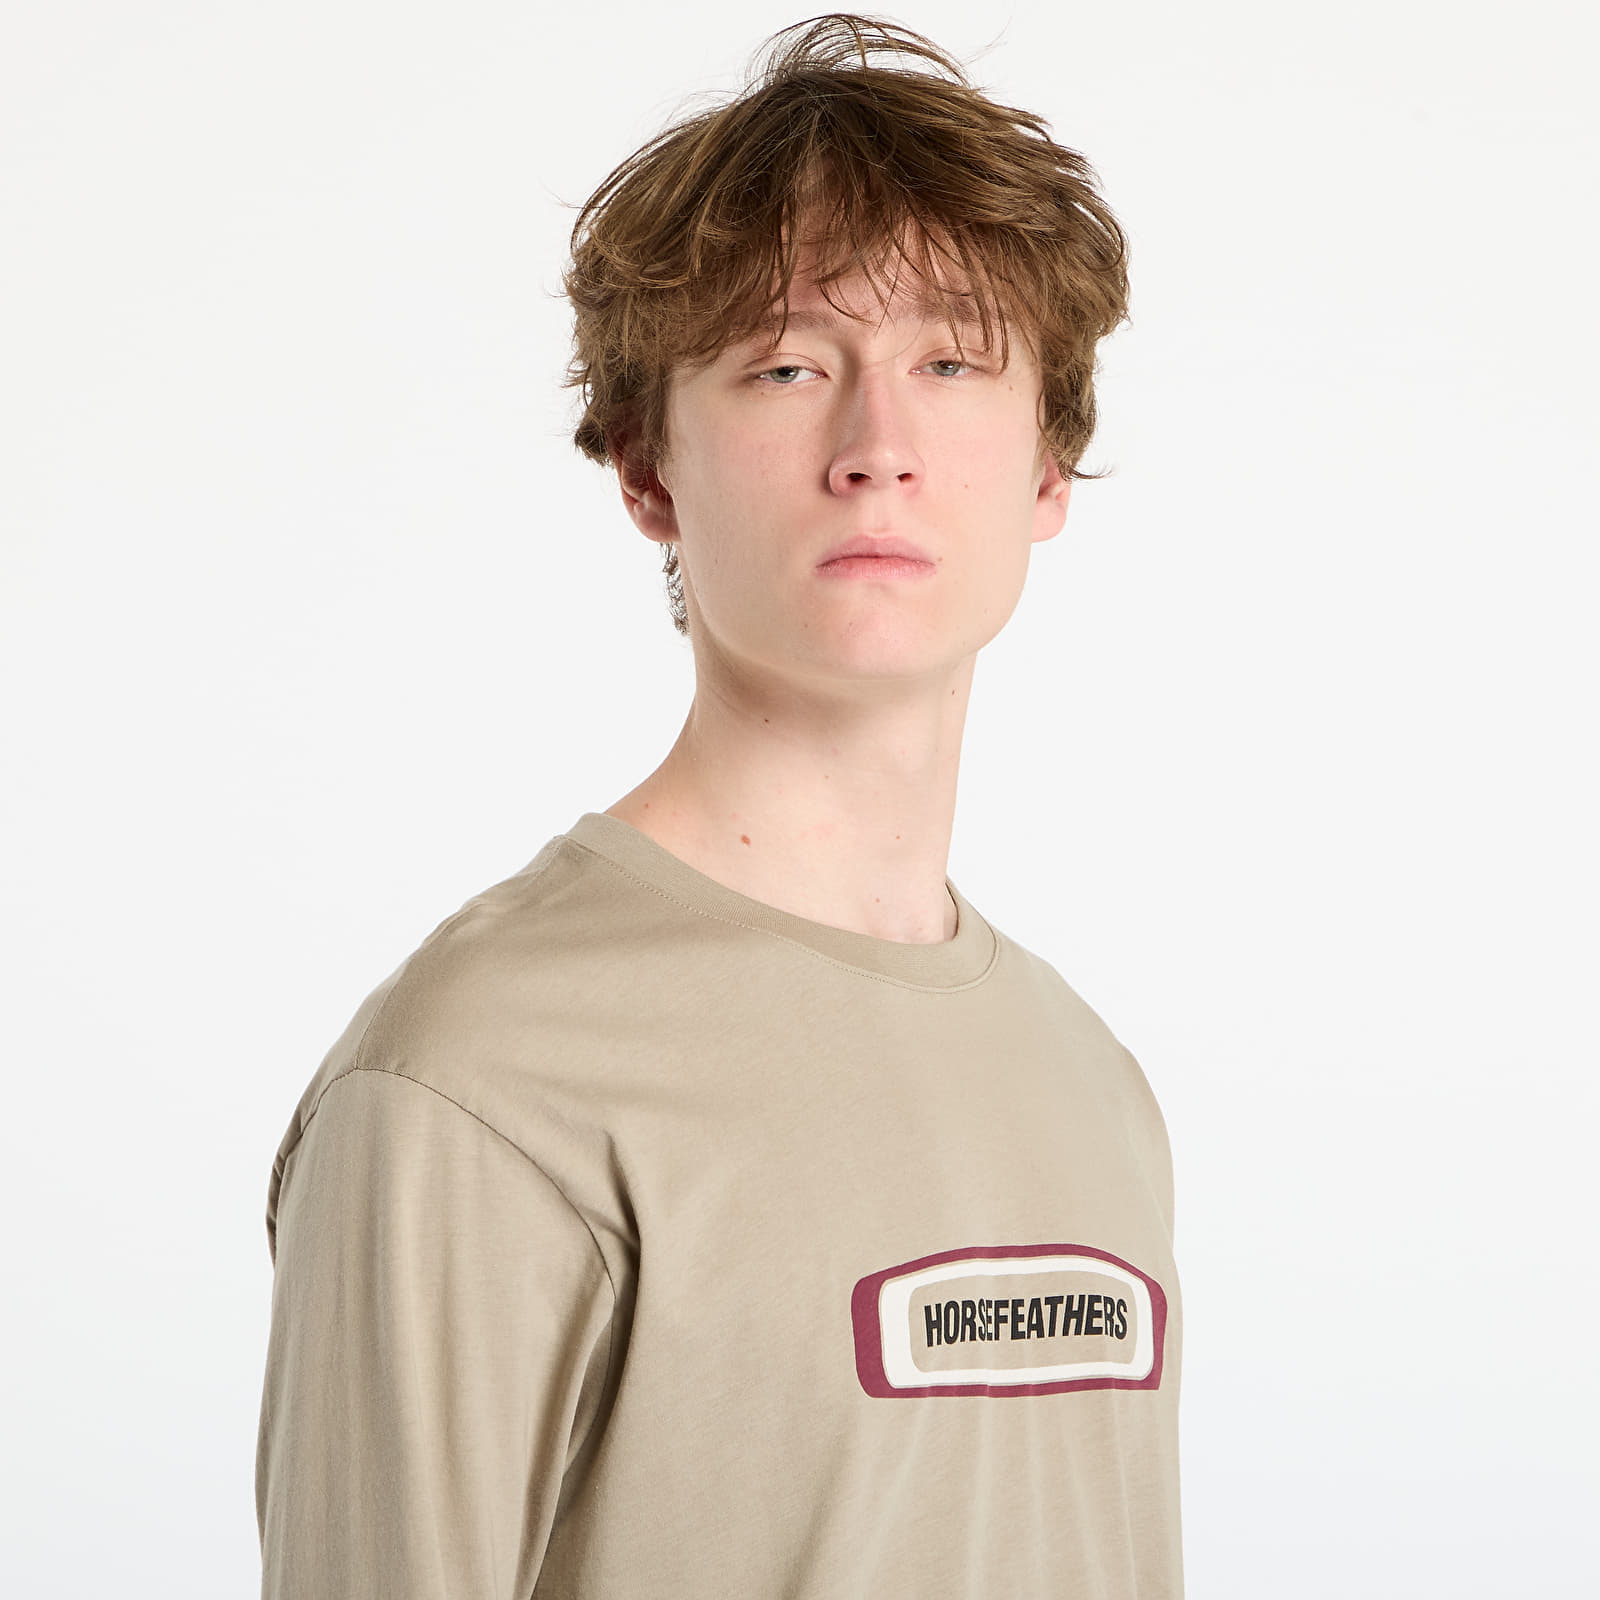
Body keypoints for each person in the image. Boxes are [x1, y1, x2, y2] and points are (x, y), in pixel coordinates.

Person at [255, 14, 1182, 1597]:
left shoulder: (1089, 1081)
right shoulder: (481, 1078)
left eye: (951, 362)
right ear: (647, 469)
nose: (876, 448)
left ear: (1048, 467)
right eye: (787, 367)